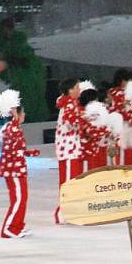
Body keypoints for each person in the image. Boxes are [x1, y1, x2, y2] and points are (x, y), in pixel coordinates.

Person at [0, 91, 39, 239]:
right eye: (23, 112)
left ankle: (18, 225)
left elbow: (17, 149)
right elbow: (13, 147)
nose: (24, 115)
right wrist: (14, 113)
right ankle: (9, 228)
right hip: (13, 170)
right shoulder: (11, 128)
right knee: (18, 198)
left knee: (22, 198)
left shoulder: (13, 128)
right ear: (16, 113)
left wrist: (30, 152)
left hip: (17, 168)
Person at [54, 78, 82, 224]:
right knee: (69, 182)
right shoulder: (69, 104)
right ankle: (63, 213)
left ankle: (69, 212)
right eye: (77, 87)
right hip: (69, 149)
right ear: (70, 90)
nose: (79, 90)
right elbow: (72, 124)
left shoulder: (70, 103)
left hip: (69, 148)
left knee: (70, 181)